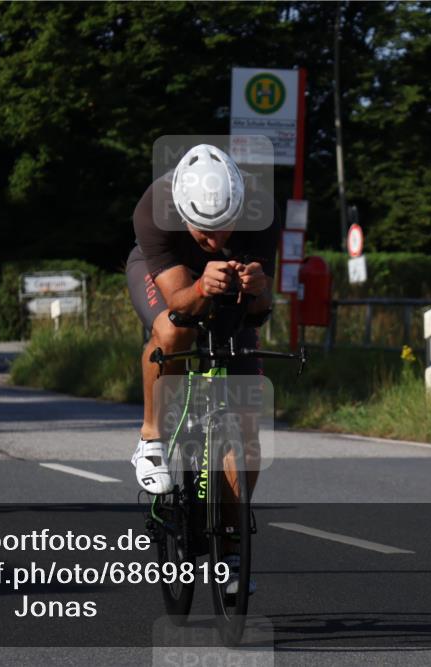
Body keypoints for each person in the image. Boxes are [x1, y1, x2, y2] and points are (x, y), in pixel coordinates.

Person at [126, 144, 279, 594]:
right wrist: (202, 282)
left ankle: (232, 550)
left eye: (223, 229)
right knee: (173, 334)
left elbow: (260, 313)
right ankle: (152, 438)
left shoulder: (262, 210)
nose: (215, 241)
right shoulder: (155, 208)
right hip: (171, 277)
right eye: (203, 232)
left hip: (228, 288)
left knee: (247, 424)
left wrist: (258, 289)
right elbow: (177, 302)